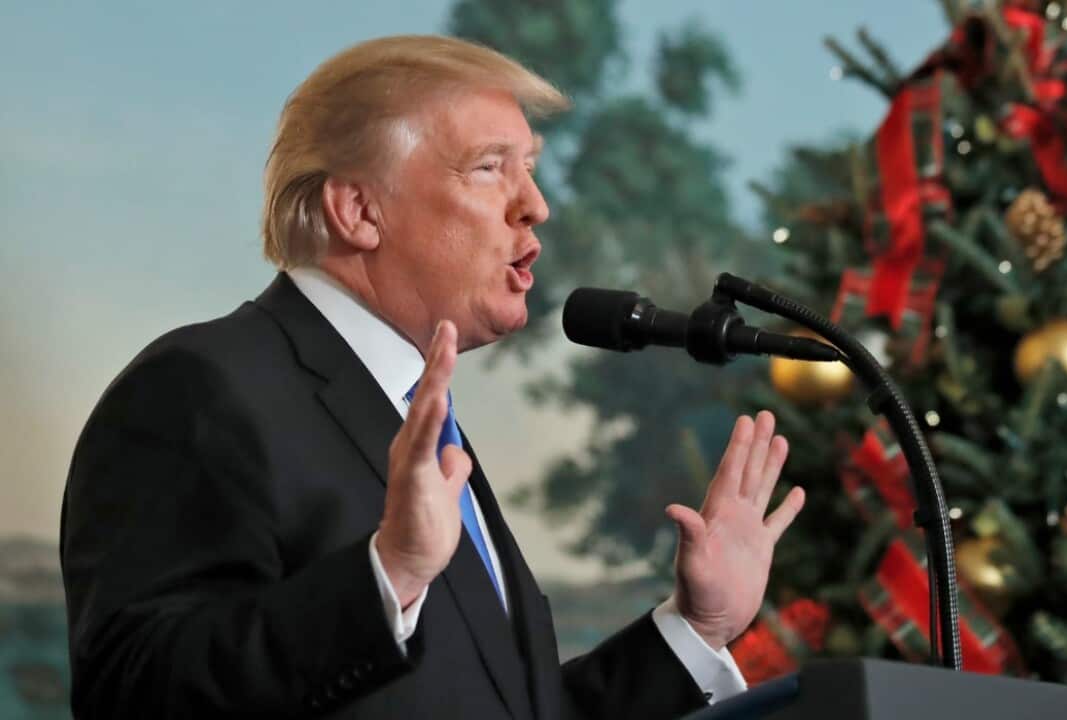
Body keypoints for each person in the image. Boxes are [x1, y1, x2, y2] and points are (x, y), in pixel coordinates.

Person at [60, 35, 806, 719]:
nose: (536, 206)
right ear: (359, 210)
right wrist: (387, 576)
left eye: (530, 168)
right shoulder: (200, 388)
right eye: (488, 167)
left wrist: (694, 628)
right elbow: (136, 693)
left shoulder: (415, 415)